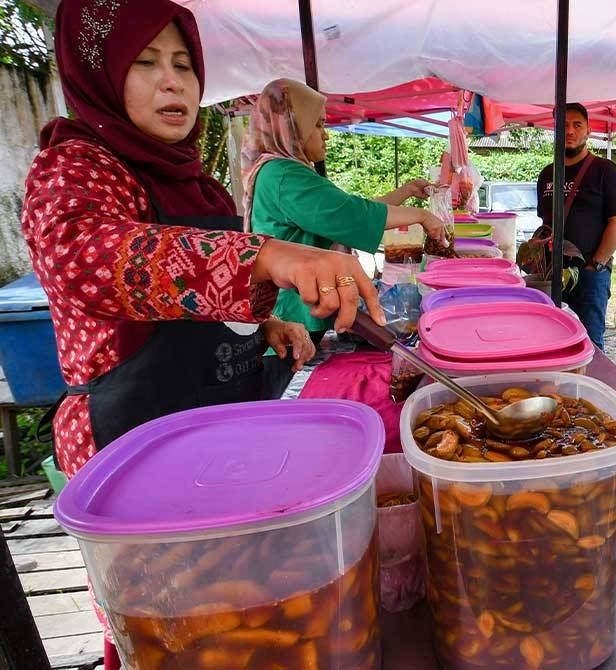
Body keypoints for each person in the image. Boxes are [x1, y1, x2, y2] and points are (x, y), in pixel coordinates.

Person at [22, 4, 385, 665]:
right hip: (128, 449)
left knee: (244, 615)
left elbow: (203, 306)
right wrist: (267, 257)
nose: (174, 84)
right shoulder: (71, 172)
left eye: (185, 65)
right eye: (146, 64)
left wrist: (267, 323)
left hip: (215, 438)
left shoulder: (194, 177)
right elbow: (104, 260)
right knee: (167, 630)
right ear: (99, 75)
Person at [240, 78, 446, 396]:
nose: (325, 135)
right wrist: (422, 216)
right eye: (318, 125)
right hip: (291, 319)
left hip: (302, 315)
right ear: (290, 127)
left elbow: (346, 213)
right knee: (285, 396)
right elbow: (351, 216)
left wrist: (406, 193)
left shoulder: (282, 171)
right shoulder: (284, 175)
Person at [536, 103, 616, 349]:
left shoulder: (605, 171)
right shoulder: (547, 174)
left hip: (589, 275)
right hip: (552, 273)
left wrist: (595, 264)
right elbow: (544, 222)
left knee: (589, 344)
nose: (569, 131)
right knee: (550, 339)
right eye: (563, 125)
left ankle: (587, 386)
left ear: (588, 130)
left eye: (577, 125)